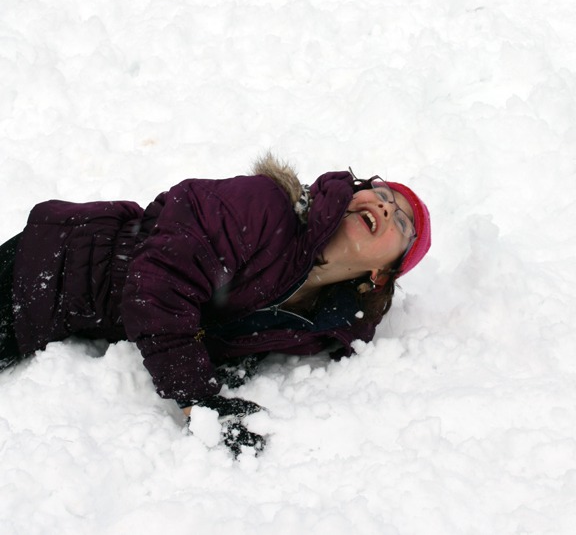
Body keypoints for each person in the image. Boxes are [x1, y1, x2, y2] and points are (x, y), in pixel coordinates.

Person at [0, 154, 431, 456]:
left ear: (382, 275)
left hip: (64, 309)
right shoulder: (264, 207)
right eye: (383, 194)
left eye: (403, 222)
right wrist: (198, 397)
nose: (385, 206)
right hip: (55, 265)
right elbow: (156, 286)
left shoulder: (324, 322)